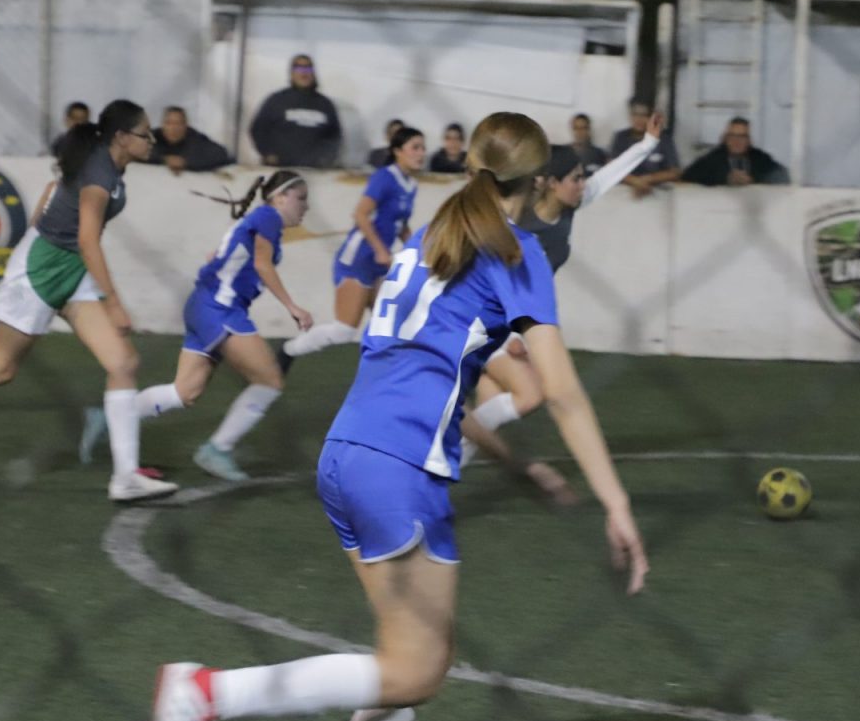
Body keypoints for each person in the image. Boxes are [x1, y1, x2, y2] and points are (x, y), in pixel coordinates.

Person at [147, 112, 649, 721]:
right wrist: (617, 502)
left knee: (406, 667)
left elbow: (443, 363)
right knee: (416, 670)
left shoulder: (430, 237)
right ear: (536, 183)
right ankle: (207, 693)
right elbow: (561, 391)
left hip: (349, 452)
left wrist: (509, 435)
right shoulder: (516, 250)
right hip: (400, 468)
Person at [0, 99, 178, 503]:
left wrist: (43, 225)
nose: (152, 140)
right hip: (41, 270)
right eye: (146, 134)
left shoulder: (107, 163)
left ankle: (126, 476)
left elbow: (56, 191)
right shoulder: (99, 172)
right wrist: (113, 302)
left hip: (70, 269)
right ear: (122, 137)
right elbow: (87, 239)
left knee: (123, 363)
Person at [459, 111, 668, 487]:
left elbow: (607, 177)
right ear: (551, 183)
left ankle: (436, 474)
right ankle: (447, 441)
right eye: (576, 178)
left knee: (490, 410)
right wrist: (514, 336)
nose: (583, 184)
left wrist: (648, 144)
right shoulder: (517, 220)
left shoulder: (570, 205)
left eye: (582, 176)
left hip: (513, 325)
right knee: (530, 395)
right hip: (485, 323)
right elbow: (493, 280)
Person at [78, 172, 315, 483]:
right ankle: (218, 449)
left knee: (185, 392)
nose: (306, 206)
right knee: (269, 380)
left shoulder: (259, 220)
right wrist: (292, 307)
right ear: (280, 198)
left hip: (203, 305)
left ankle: (112, 415)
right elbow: (262, 264)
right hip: (220, 309)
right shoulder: (269, 216)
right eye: (301, 198)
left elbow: (222, 257)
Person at [276, 125, 425, 369]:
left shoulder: (410, 185)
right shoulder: (385, 178)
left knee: (392, 325)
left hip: (377, 265)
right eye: (415, 148)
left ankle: (390, 376)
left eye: (423, 148)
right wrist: (380, 249)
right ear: (398, 151)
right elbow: (361, 215)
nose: (421, 153)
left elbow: (400, 223)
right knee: (344, 331)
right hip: (358, 259)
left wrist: (415, 251)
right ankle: (288, 350)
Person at [250, 54, 342, 168]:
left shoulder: (325, 104)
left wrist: (327, 158)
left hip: (316, 172)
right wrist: (268, 154)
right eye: (299, 68)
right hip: (280, 170)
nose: (304, 73)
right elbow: (258, 129)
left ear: (313, 73)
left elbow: (335, 135)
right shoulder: (276, 100)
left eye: (308, 69)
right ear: (292, 73)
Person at [680, 117, 790, 187]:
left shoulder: (760, 158)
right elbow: (688, 177)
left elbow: (782, 176)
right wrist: (725, 179)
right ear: (725, 139)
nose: (737, 141)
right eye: (732, 136)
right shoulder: (711, 159)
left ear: (749, 140)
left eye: (742, 137)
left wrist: (753, 180)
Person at [609, 100, 681, 197]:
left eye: (644, 115)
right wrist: (635, 181)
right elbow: (611, 169)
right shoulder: (621, 137)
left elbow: (675, 172)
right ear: (630, 116)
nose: (639, 119)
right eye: (635, 115)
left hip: (657, 195)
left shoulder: (664, 139)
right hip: (624, 195)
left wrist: (648, 179)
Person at [147, 106, 232, 174]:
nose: (174, 128)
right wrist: (164, 159)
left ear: (186, 126)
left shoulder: (194, 138)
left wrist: (186, 162)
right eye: (169, 123)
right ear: (163, 125)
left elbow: (221, 153)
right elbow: (139, 152)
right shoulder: (152, 136)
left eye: (179, 123)